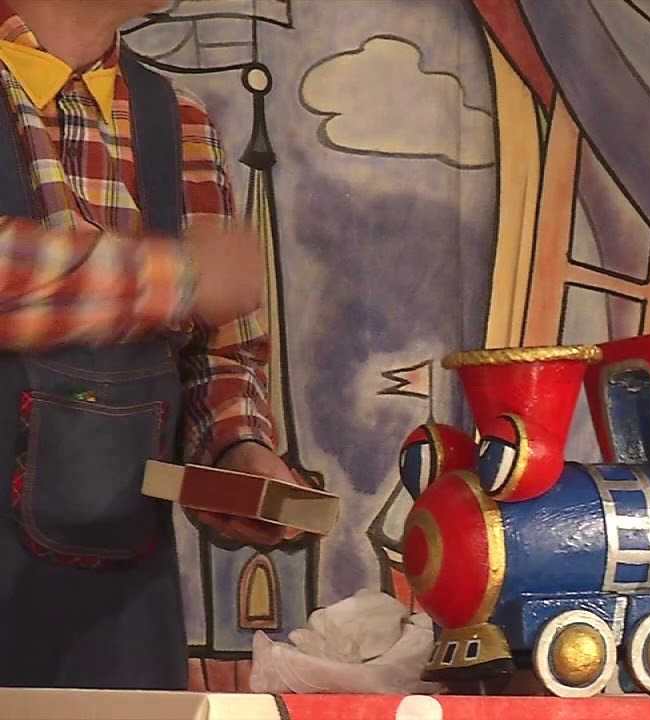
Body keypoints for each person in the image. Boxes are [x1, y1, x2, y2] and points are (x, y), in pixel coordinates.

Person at [0, 0, 298, 689]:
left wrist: (235, 451)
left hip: (119, 629)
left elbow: (218, 354)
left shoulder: (180, 121)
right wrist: (175, 277)